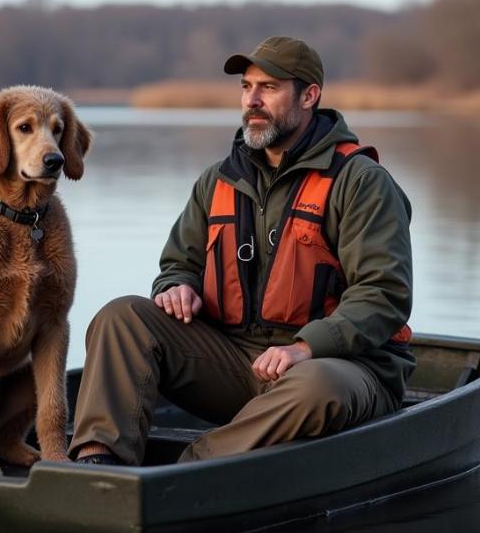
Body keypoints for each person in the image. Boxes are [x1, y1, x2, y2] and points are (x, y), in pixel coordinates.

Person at [70, 36, 414, 466]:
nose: (252, 99)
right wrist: (178, 286)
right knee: (121, 317)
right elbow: (179, 263)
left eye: (268, 88)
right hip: (239, 363)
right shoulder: (218, 180)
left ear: (309, 95)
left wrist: (305, 349)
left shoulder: (360, 181)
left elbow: (384, 294)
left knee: (315, 386)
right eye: (246, 87)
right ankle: (99, 466)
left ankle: (188, 470)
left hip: (341, 367)